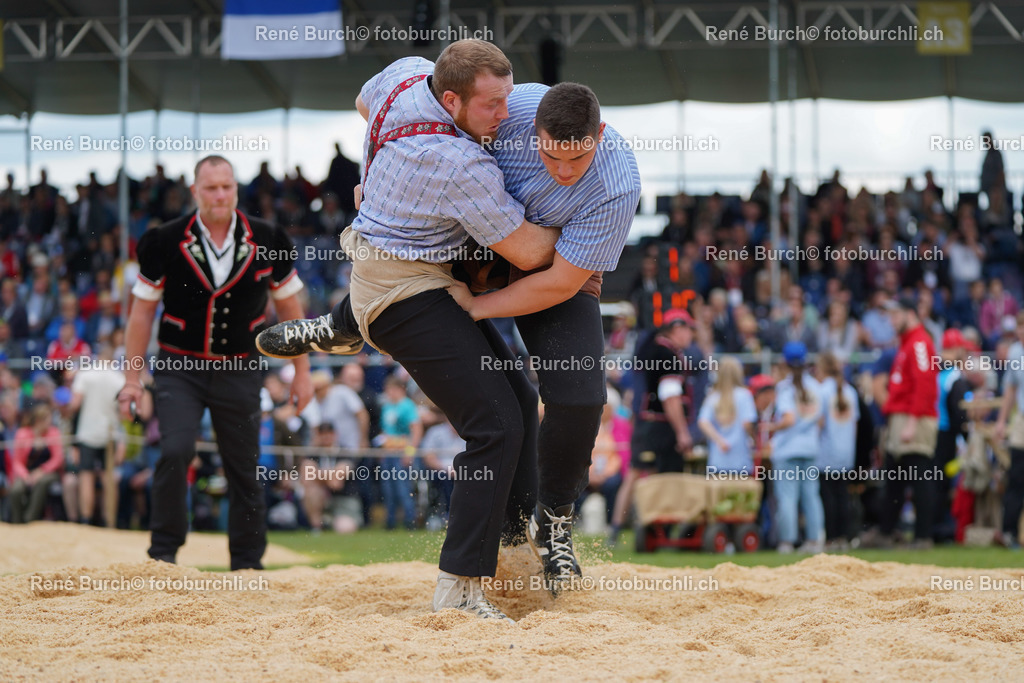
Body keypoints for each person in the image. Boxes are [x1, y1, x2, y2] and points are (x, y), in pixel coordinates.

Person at [258, 42, 641, 612]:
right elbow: (526, 246)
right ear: (456, 99)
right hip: (478, 247)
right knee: (500, 417)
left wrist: (481, 304)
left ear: (600, 136)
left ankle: (550, 525)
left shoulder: (609, 181)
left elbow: (556, 278)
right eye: (550, 156)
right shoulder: (472, 153)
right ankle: (348, 321)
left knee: (578, 395)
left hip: (548, 270)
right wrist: (384, 176)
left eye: (576, 161)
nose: (562, 173)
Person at [118, 154, 312, 570]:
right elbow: (140, 314)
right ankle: (163, 554)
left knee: (243, 462)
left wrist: (302, 373)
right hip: (178, 366)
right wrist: (132, 380)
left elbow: (291, 311)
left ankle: (246, 562)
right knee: (175, 449)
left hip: (242, 367)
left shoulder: (269, 238)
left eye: (226, 186)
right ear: (195, 191)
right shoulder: (163, 240)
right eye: (211, 187)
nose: (220, 194)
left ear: (235, 189)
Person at [608, 309, 695, 544]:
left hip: (645, 423)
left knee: (638, 474)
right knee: (659, 477)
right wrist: (682, 432)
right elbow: (670, 397)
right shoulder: (668, 354)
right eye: (689, 329)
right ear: (677, 329)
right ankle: (658, 528)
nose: (691, 335)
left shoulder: (651, 348)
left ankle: (622, 529)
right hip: (659, 427)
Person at [878, 295, 939, 548]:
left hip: (915, 418)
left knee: (919, 475)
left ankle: (924, 536)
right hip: (902, 417)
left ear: (910, 315)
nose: (891, 321)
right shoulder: (907, 344)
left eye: (896, 315)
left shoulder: (920, 344)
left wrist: (913, 422)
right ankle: (886, 531)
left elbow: (925, 385)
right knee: (894, 478)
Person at [767, 341, 825, 554]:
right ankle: (814, 540)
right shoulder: (816, 388)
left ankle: (787, 542)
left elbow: (789, 419)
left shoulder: (785, 388)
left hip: (788, 449)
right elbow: (820, 420)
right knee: (811, 496)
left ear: (784, 362)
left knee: (788, 497)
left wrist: (771, 426)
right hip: (810, 448)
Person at [69, 345, 126, 525]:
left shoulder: (85, 375)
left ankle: (86, 519)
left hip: (88, 433)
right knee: (109, 478)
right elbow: (125, 413)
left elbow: (75, 404)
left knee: (86, 476)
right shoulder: (119, 379)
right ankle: (110, 521)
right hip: (111, 433)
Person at [815, 351, 859, 550]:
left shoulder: (823, 391)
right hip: (845, 451)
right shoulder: (850, 391)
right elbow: (854, 425)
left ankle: (831, 536)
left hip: (827, 451)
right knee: (843, 496)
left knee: (828, 498)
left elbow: (820, 423)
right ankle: (845, 536)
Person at [377, 375, 423, 530]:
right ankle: (390, 522)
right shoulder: (387, 406)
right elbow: (385, 431)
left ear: (399, 389)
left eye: (391, 389)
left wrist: (410, 452)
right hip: (389, 452)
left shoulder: (408, 406)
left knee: (403, 488)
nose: (389, 393)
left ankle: (410, 521)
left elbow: (416, 430)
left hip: (402, 452)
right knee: (388, 489)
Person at [698, 356, 757, 475]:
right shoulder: (744, 395)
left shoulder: (713, 396)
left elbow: (703, 421)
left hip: (717, 460)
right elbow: (747, 423)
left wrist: (719, 441)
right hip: (740, 460)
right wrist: (754, 439)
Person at [994, 310, 1024, 549]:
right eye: (1019, 329)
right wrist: (1002, 421)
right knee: (1016, 476)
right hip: (1021, 419)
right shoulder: (1015, 352)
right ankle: (1008, 532)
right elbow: (1011, 390)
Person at [9, 404, 64, 523]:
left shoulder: (53, 433)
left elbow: (58, 459)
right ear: (39, 420)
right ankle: (17, 522)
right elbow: (17, 462)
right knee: (16, 490)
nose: (50, 421)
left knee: (42, 483)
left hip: (48, 473)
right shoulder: (22, 433)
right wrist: (25, 476)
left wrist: (42, 471)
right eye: (48, 418)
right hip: (27, 472)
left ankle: (29, 519)